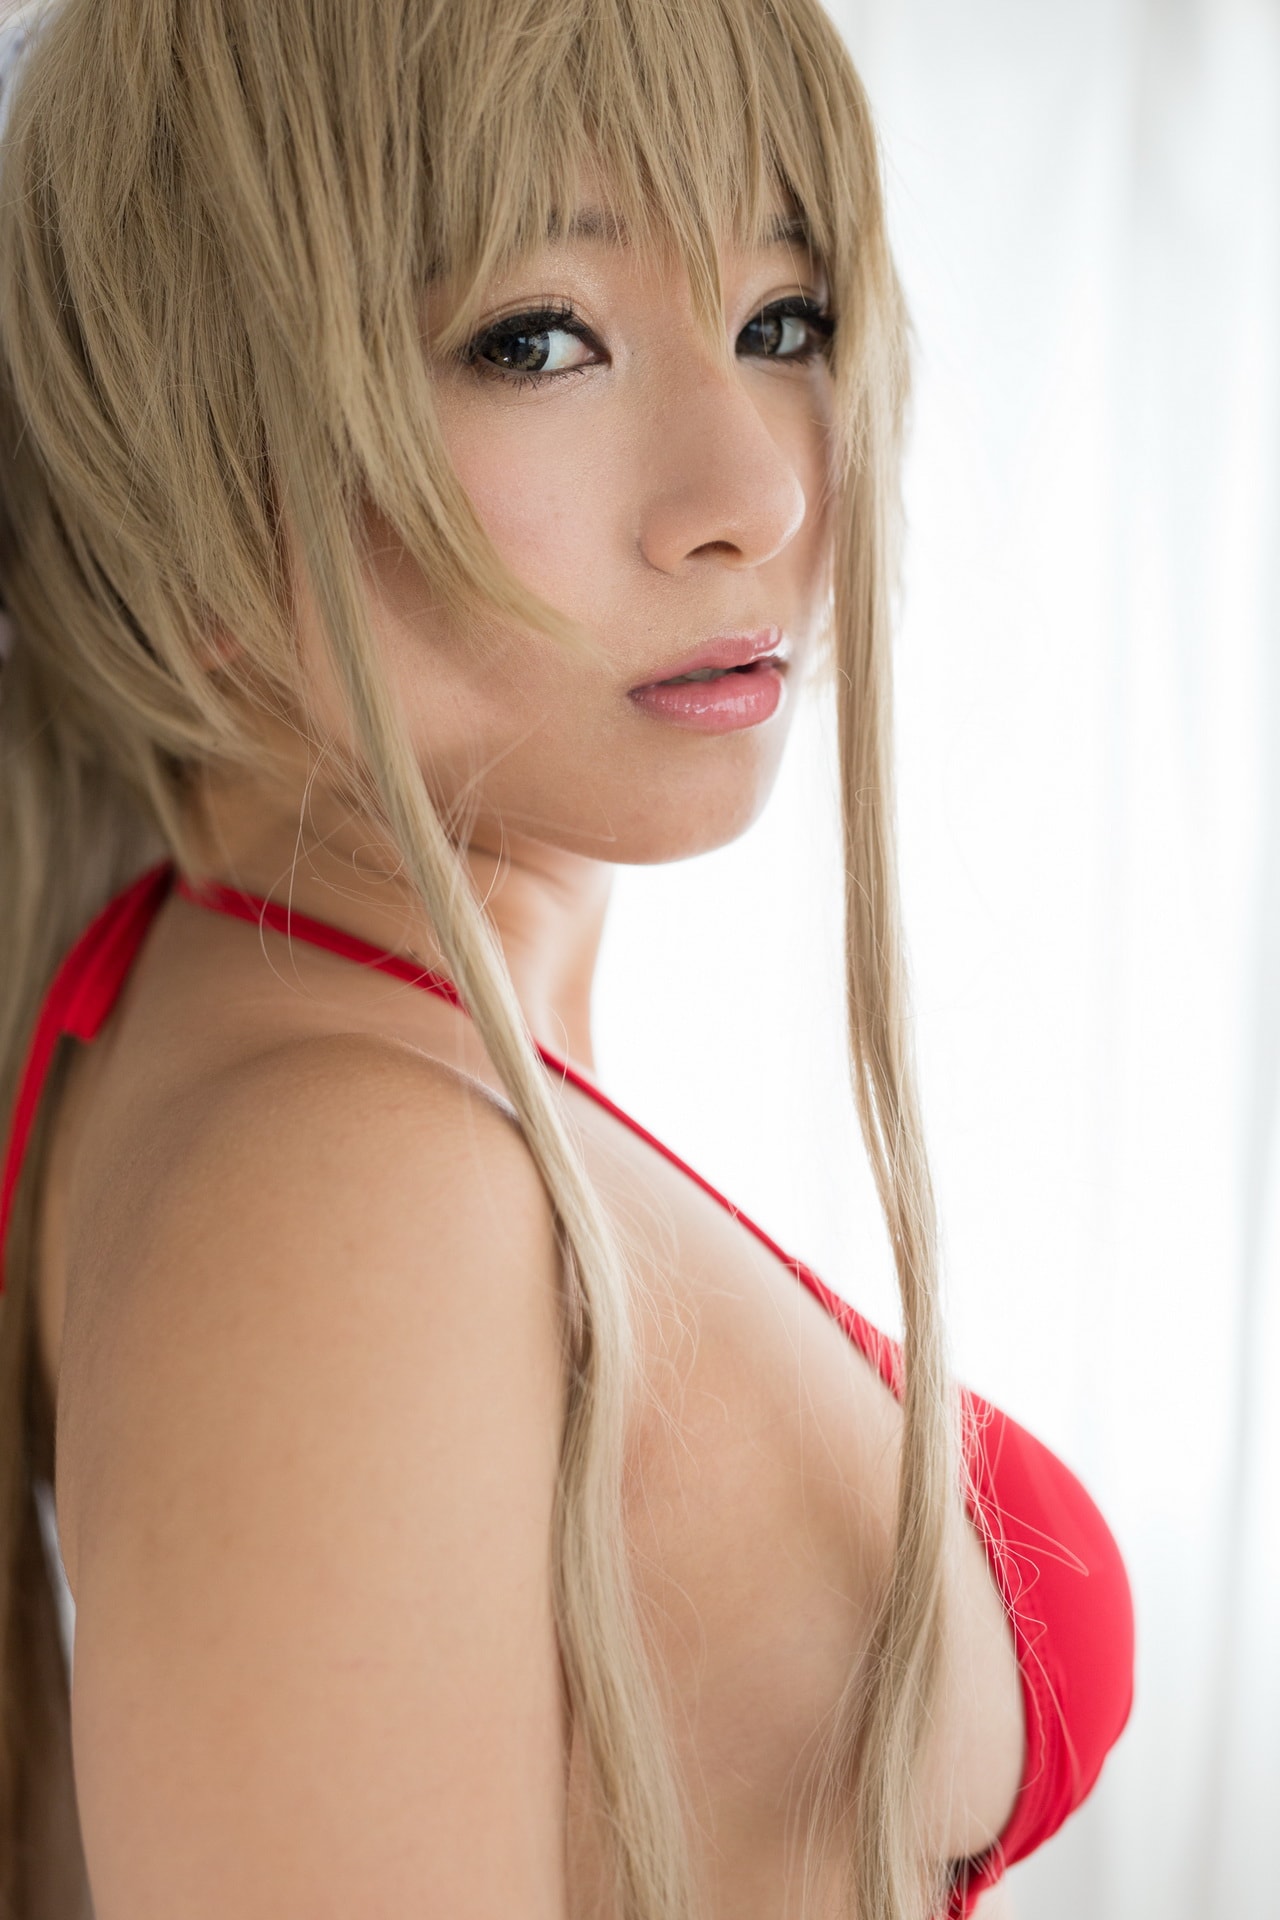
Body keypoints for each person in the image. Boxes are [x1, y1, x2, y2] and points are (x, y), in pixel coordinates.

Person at [0, 1, 1134, 1916]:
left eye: (784, 318)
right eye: (536, 339)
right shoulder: (347, 1188)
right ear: (184, 462)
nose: (757, 495)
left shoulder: (285, 1020)